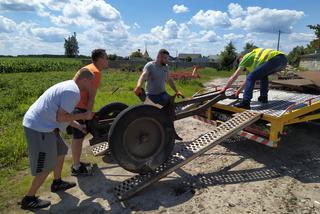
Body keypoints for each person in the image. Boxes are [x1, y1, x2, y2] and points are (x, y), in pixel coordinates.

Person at [21, 68, 94, 210]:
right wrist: (84, 116)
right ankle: (28, 199)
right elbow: (61, 117)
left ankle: (57, 182)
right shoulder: (73, 92)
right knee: (47, 164)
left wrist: (78, 126)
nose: (91, 86)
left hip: (45, 124)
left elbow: (61, 115)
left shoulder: (68, 86)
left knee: (61, 150)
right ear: (84, 80)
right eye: (90, 83)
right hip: (38, 127)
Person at [70, 49, 108, 176]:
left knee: (79, 136)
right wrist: (88, 112)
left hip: (74, 104)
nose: (107, 60)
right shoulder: (95, 72)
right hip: (78, 107)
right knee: (78, 137)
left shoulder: (89, 68)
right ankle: (76, 168)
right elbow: (91, 96)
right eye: (106, 58)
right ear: (99, 59)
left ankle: (77, 163)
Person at [221, 48, 288, 109]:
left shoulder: (246, 57)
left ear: (241, 58)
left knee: (251, 77)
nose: (242, 65)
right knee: (263, 76)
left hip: (275, 59)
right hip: (283, 60)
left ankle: (245, 102)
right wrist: (238, 91)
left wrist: (225, 87)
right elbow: (248, 81)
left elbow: (235, 76)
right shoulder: (254, 62)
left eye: (240, 62)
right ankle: (263, 98)